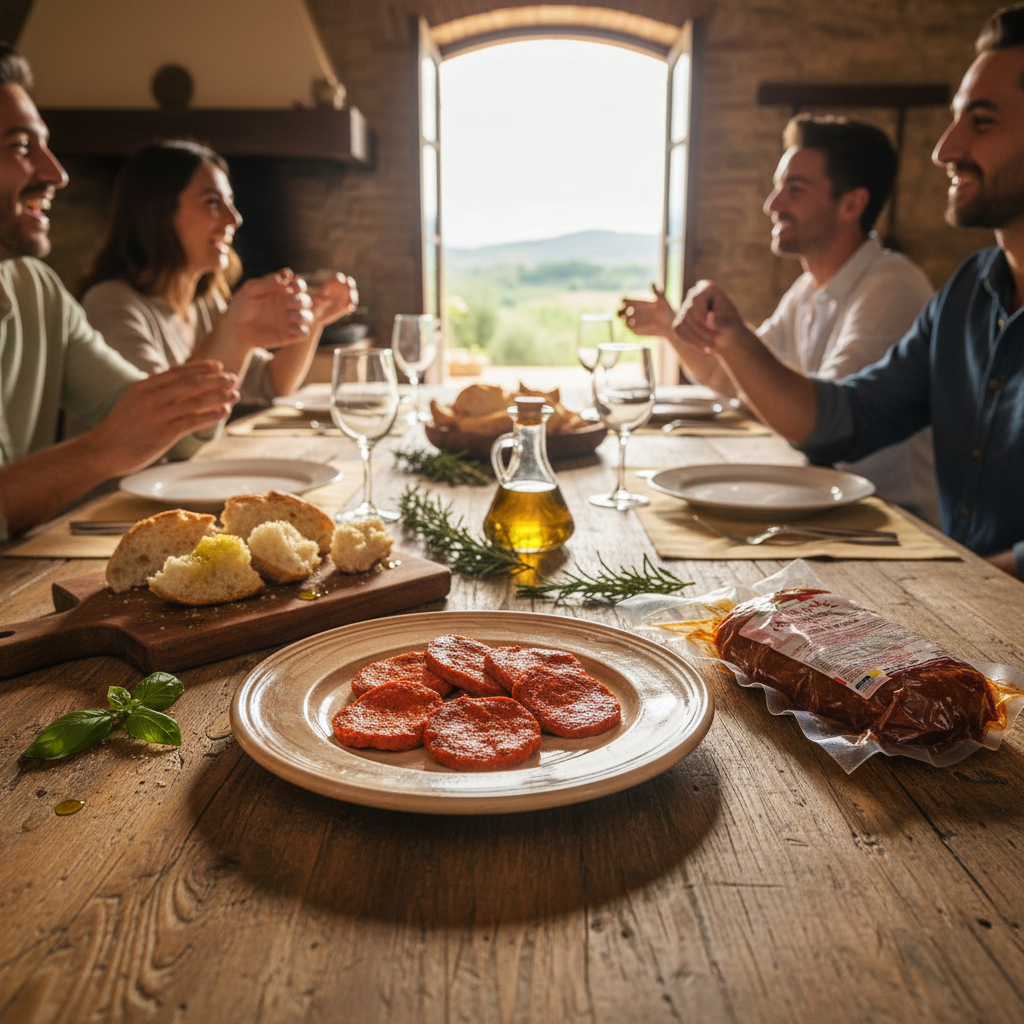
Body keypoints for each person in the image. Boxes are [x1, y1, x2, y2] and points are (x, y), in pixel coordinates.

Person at [668, 3, 1024, 578]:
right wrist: (730, 335)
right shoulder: (967, 293)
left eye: (981, 121)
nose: (944, 150)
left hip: (954, 575)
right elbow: (842, 421)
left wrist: (972, 582)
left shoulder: (893, 285)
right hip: (962, 591)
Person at [0, 43, 272, 541]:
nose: (56, 174)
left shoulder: (40, 292)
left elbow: (166, 428)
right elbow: (122, 440)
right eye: (20, 147)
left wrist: (255, 329)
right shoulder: (112, 301)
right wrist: (101, 450)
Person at [619, 115, 940, 525]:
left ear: (851, 204)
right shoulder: (809, 288)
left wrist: (734, 337)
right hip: (821, 501)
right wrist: (674, 328)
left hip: (888, 519)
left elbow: (826, 425)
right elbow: (730, 377)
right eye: (777, 188)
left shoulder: (891, 286)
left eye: (795, 190)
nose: (772, 205)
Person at [78, 139, 357, 409]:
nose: (234, 219)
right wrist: (235, 330)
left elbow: (271, 383)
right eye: (213, 202)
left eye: (230, 202)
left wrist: (315, 319)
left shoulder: (204, 302)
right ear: (158, 213)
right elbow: (161, 417)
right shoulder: (110, 304)